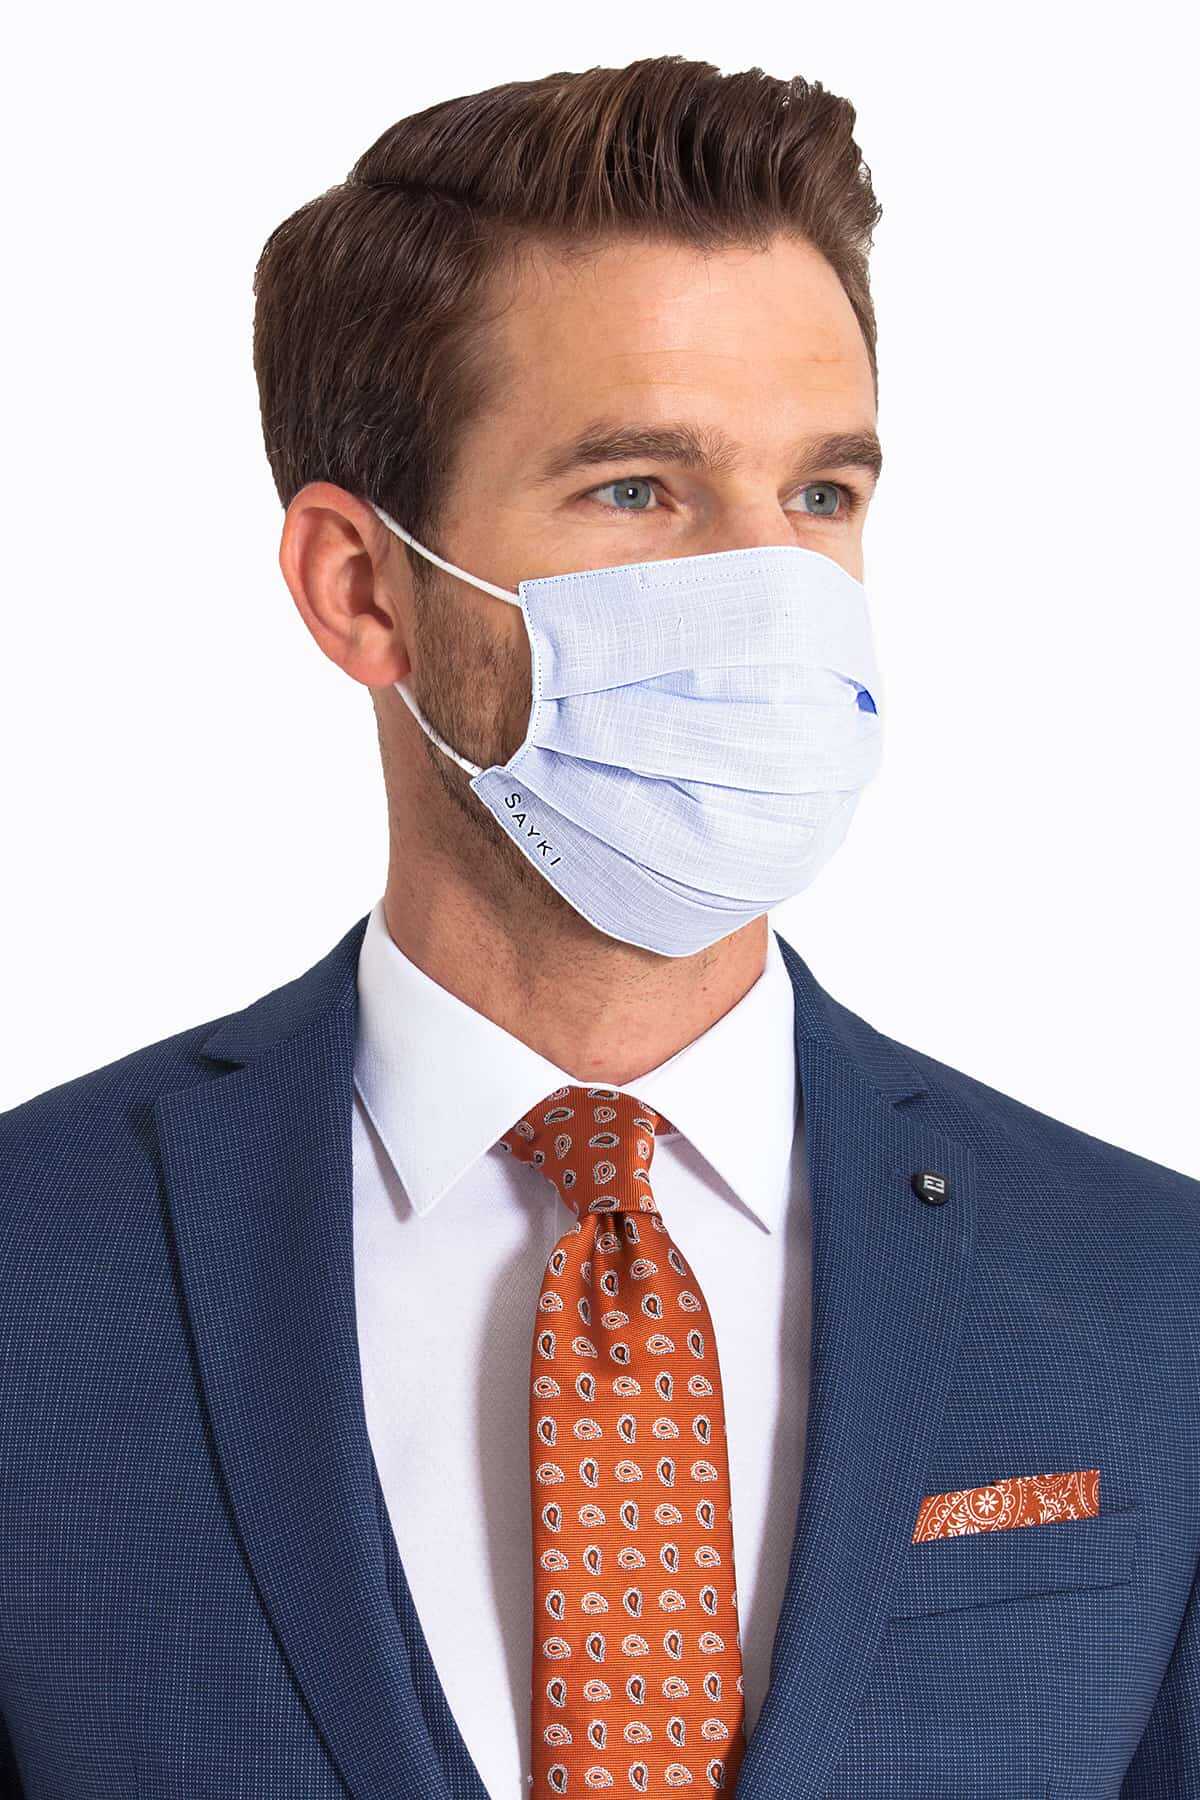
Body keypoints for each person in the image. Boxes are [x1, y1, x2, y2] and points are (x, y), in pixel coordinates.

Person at [1, 54, 1195, 1800]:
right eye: (638, 488)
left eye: (823, 495)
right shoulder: (33, 1268)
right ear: (361, 586)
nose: (770, 593)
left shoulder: (1150, 1295)